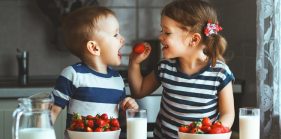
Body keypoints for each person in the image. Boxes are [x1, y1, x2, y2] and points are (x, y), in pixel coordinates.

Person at [128, 0, 235, 138]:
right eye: (162, 30)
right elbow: (138, 90)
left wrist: (213, 134)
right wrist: (134, 63)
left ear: (194, 40)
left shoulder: (220, 73)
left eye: (167, 32)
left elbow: (228, 113)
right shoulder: (165, 67)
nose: (160, 37)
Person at [50, 6, 139, 133]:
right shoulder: (73, 75)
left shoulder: (117, 80)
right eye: (115, 34)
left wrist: (129, 109)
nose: (122, 39)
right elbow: (52, 112)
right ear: (94, 48)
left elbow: (119, 123)